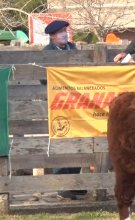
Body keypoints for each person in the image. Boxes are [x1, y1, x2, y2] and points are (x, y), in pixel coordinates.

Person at [43, 20, 86, 200]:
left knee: (78, 138)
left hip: (76, 101)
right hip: (57, 101)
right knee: (60, 137)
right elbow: (43, 78)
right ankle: (62, 184)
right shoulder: (47, 53)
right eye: (60, 32)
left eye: (65, 31)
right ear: (52, 36)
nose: (65, 34)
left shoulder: (74, 50)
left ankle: (74, 183)